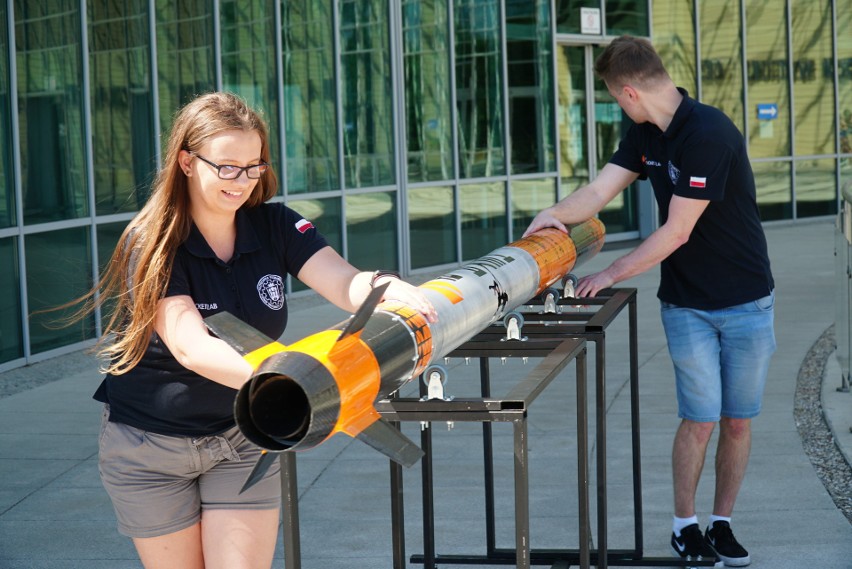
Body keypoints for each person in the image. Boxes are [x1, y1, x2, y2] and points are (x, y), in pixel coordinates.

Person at [77, 92, 437, 569]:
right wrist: (288, 381)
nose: (242, 181)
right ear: (186, 161)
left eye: (254, 166)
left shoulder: (276, 225)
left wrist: (380, 285)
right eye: (226, 166)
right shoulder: (155, 241)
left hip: (242, 434)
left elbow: (343, 281)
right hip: (150, 449)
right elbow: (190, 346)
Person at [524, 36, 775, 568]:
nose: (621, 107)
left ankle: (721, 523)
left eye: (617, 99)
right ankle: (685, 527)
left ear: (630, 91)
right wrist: (554, 216)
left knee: (737, 420)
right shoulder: (644, 134)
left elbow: (678, 231)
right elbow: (598, 192)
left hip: (747, 301)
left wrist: (611, 272)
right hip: (687, 304)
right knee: (701, 418)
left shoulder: (709, 134)